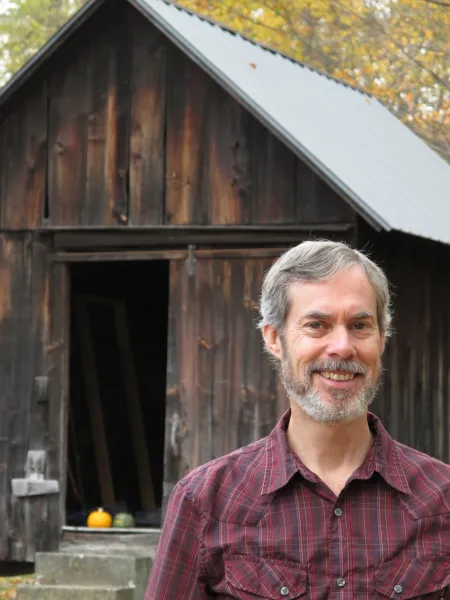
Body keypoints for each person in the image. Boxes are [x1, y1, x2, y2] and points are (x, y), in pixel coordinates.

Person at [144, 240, 450, 599]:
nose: (342, 346)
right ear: (275, 339)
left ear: (382, 338)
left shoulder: (442, 500)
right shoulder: (205, 501)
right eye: (317, 325)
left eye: (360, 325)